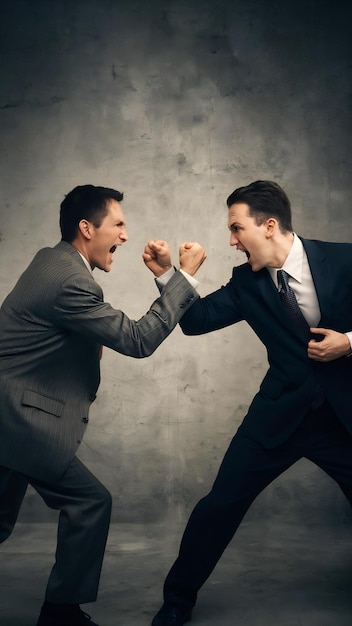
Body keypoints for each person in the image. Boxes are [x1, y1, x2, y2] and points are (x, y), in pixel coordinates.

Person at [0, 184, 206, 626]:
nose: (126, 236)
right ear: (86, 227)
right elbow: (137, 339)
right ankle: (60, 615)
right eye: (119, 224)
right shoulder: (70, 280)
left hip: (9, 416)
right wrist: (182, 278)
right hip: (17, 419)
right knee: (90, 503)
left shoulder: (51, 260)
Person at [151, 180, 352, 626]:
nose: (231, 241)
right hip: (278, 417)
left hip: (342, 418)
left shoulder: (343, 258)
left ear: (270, 225)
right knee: (219, 506)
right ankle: (178, 600)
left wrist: (350, 343)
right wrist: (171, 274)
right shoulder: (248, 282)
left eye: (237, 228)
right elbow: (196, 321)